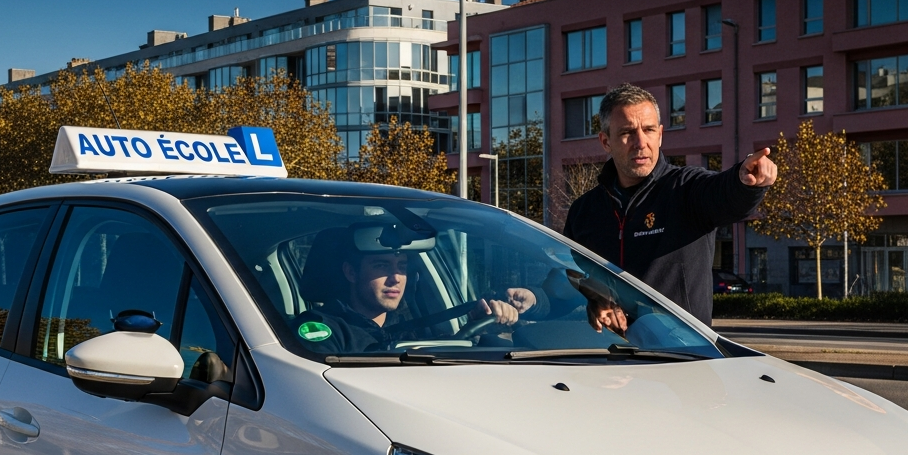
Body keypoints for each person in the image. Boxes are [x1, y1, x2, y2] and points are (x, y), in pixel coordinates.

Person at [564, 83, 776, 326]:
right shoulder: (584, 211)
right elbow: (571, 276)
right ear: (605, 141)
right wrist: (593, 298)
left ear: (661, 134)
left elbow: (723, 193)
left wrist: (744, 181)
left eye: (649, 130)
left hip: (681, 356)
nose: (640, 142)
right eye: (627, 133)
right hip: (608, 356)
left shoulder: (685, 189)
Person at [292, 226, 538, 355]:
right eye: (381, 266)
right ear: (351, 272)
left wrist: (477, 330)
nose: (396, 278)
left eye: (402, 267)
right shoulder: (320, 329)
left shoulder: (413, 325)